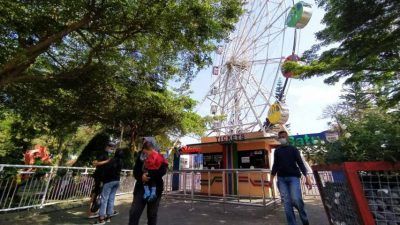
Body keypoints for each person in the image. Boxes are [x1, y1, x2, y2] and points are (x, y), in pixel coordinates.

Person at [269, 130, 312, 225]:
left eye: (283, 136)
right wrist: (271, 179)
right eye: (280, 137)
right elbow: (275, 165)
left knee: (296, 199)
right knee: (287, 203)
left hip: (293, 178)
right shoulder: (277, 151)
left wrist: (307, 178)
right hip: (281, 179)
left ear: (287, 137)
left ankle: (304, 220)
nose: (282, 138)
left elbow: (301, 164)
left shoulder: (293, 149)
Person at [128, 138, 168, 225]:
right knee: (134, 212)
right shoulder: (141, 156)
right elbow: (136, 171)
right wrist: (141, 176)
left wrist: (149, 174)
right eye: (144, 143)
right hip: (141, 188)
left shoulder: (160, 155)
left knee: (152, 214)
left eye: (146, 142)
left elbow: (163, 170)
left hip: (155, 188)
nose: (144, 144)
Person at [93, 148, 124, 224]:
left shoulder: (111, 160)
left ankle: (101, 218)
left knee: (104, 199)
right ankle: (109, 217)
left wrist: (102, 180)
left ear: (115, 153)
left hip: (108, 181)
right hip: (117, 181)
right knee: (111, 199)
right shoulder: (121, 162)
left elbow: (106, 170)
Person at [88, 141, 116, 219]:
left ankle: (93, 211)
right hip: (99, 176)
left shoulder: (106, 154)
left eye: (113, 148)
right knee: (95, 193)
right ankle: (90, 212)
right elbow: (95, 163)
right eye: (111, 148)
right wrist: (107, 161)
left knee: (98, 193)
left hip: (103, 177)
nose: (112, 149)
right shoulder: (102, 154)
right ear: (107, 146)